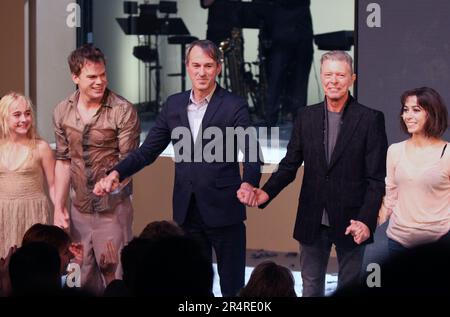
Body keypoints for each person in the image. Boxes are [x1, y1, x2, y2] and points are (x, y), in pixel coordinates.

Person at [94, 40, 261, 297]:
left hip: (225, 209)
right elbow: (147, 151)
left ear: (218, 68)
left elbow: (251, 151)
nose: (202, 72)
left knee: (233, 288)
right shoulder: (173, 104)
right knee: (191, 287)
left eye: (208, 66)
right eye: (196, 65)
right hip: (187, 211)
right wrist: (117, 172)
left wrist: (249, 182)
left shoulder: (233, 105)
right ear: (187, 67)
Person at [238, 51, 388, 296]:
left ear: (352, 79)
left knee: (349, 288)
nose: (333, 80)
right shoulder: (305, 116)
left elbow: (375, 180)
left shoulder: (370, 119)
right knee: (310, 288)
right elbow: (290, 164)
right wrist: (266, 192)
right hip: (312, 217)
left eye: (340, 75)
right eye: (328, 74)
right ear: (321, 76)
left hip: (353, 220)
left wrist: (366, 220)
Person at [53, 44, 141, 294]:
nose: (99, 81)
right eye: (92, 76)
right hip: (78, 210)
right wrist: (59, 208)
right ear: (75, 77)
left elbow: (130, 161)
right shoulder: (62, 111)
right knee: (76, 276)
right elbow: (63, 160)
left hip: (112, 211)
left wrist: (113, 182)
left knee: (113, 277)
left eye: (103, 74)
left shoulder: (122, 110)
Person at [378, 87, 449, 257]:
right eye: (405, 109)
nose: (408, 116)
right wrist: (365, 224)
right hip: (398, 242)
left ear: (432, 113)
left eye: (416, 110)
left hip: (439, 242)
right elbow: (390, 197)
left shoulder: (447, 153)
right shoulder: (395, 151)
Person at [0, 92, 56, 259]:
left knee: (33, 262)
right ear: (4, 118)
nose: (24, 119)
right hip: (3, 212)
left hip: (33, 212)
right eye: (17, 115)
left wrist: (60, 211)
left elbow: (53, 185)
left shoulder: (41, 147)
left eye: (27, 113)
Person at [263, 0, 313, 127]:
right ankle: (273, 121)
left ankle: (293, 122)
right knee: (279, 82)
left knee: (293, 83)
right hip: (286, 35)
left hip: (295, 35)